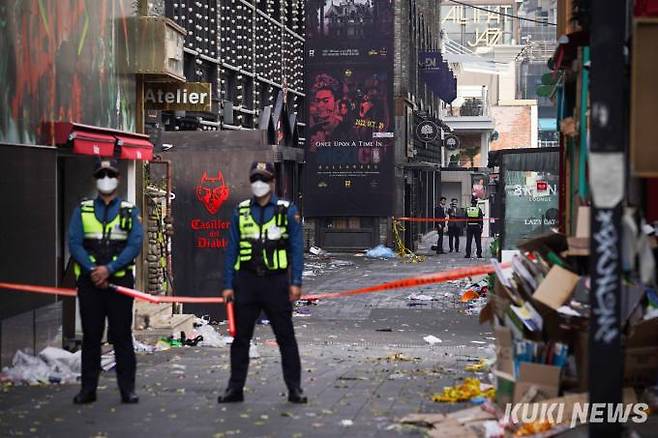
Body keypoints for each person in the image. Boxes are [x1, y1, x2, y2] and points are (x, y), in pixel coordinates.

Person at [218, 161, 306, 404]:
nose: (259, 184)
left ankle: (295, 389)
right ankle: (235, 389)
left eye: (264, 179)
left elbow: (296, 249)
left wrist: (296, 281)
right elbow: (231, 250)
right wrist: (227, 284)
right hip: (246, 282)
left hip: (276, 282)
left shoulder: (286, 210)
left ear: (273, 182)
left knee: (285, 337)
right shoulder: (241, 211)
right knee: (240, 339)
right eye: (255, 179)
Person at [68, 159, 143, 404]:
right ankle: (88, 389)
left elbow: (134, 244)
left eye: (110, 175)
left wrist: (108, 269)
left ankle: (127, 390)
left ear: (118, 179)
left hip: (119, 284)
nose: (106, 179)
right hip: (90, 284)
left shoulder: (129, 211)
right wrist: (93, 270)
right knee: (91, 336)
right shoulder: (84, 210)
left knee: (121, 336)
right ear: (96, 180)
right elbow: (75, 243)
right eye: (102, 175)